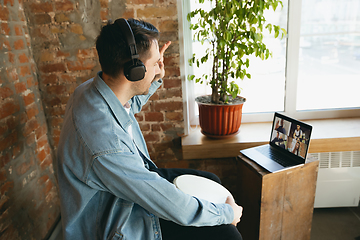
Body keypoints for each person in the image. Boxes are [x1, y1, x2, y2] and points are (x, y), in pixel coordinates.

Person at [54, 18, 243, 240]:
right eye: (154, 63)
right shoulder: (107, 145)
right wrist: (227, 213)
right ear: (134, 71)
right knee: (228, 234)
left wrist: (154, 76)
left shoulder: (91, 90)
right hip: (116, 218)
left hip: (120, 184)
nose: (158, 67)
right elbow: (177, 208)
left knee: (211, 179)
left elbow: (126, 105)